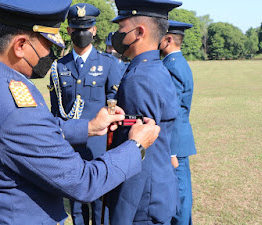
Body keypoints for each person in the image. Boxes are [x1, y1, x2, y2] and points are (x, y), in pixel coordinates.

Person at [0, 0, 161, 224]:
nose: (51, 54)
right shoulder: (18, 108)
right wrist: (136, 147)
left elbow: (37, 131)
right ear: (20, 45)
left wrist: (88, 127)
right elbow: (82, 181)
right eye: (47, 45)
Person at [106, 0, 182, 224]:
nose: (117, 34)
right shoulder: (154, 69)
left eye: (121, 28)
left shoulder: (139, 78)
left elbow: (140, 154)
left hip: (141, 204)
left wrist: (122, 214)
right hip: (156, 192)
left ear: (139, 32)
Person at [49, 3, 123, 225]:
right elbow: (56, 112)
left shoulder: (109, 64)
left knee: (101, 205)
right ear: (69, 30)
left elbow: (115, 105)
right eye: (76, 29)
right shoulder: (58, 66)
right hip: (71, 148)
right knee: (77, 206)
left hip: (100, 147)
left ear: (94, 30)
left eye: (86, 29)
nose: (81, 34)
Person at [159, 20, 197, 225]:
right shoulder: (176, 63)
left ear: (169, 39)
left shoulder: (171, 67)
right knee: (180, 191)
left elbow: (172, 112)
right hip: (178, 139)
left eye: (160, 37)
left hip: (174, 142)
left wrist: (171, 151)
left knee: (179, 196)